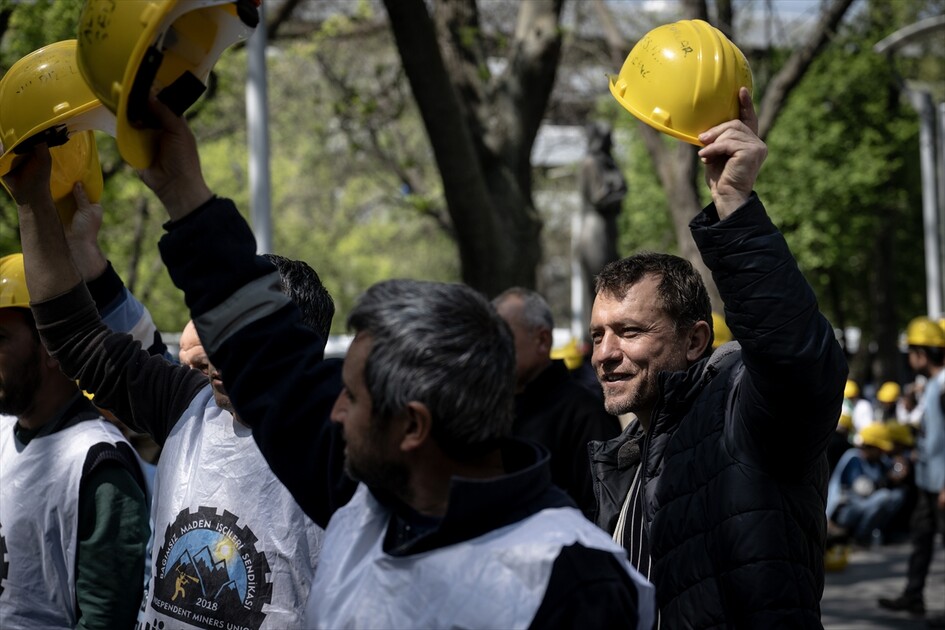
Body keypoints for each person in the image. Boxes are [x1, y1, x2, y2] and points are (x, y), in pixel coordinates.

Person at [7, 97, 656, 628]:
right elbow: (260, 350)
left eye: (349, 396)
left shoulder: (571, 583)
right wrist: (171, 188)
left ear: (412, 426)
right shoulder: (362, 489)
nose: (331, 409)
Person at [5, 173, 330, 629]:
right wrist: (32, 200)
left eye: (243, 339)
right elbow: (75, 335)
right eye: (219, 333)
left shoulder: (338, 452)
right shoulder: (187, 406)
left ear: (289, 349)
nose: (218, 356)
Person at [587, 87, 848, 626]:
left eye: (630, 331)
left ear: (694, 340)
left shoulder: (742, 416)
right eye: (597, 335)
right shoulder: (631, 452)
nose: (606, 354)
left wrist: (735, 205)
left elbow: (798, 361)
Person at [0, 253, 150, 629]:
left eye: (0, 338)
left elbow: (105, 620)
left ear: (51, 347)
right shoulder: (3, 433)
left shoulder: (99, 465)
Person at [493, 287, 621, 518]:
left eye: (502, 337)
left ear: (542, 340)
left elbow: (603, 508)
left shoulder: (584, 411)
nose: (492, 349)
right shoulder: (492, 406)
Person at [879, 316, 945, 625]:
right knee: (922, 540)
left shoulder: (943, 385)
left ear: (925, 352)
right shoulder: (933, 386)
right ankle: (913, 595)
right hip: (929, 482)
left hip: (942, 485)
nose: (909, 357)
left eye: (913, 350)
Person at [826, 422, 907, 547]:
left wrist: (900, 466)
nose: (882, 452)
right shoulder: (854, 458)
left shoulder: (878, 460)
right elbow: (863, 489)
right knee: (884, 497)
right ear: (870, 446)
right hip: (845, 510)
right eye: (879, 449)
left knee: (898, 494)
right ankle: (860, 537)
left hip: (863, 505)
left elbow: (894, 470)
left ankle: (881, 532)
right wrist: (887, 479)